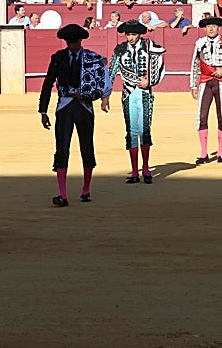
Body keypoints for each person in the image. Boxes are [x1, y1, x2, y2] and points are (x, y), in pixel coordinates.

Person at [38, 24, 112, 207]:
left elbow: (102, 84)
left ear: (81, 41)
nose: (72, 46)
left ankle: (86, 190)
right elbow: (47, 83)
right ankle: (62, 195)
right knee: (62, 148)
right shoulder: (58, 58)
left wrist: (96, 97)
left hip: (84, 107)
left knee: (86, 146)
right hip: (64, 106)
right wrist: (43, 110)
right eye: (69, 43)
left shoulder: (92, 59)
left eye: (75, 42)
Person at [110, 19, 166, 184]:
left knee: (145, 130)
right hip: (128, 93)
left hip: (144, 92)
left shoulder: (150, 46)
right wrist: (106, 95)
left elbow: (160, 64)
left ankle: (146, 168)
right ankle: (135, 171)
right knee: (132, 132)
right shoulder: (120, 50)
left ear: (139, 34)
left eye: (133, 34)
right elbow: (111, 71)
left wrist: (151, 82)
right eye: (128, 34)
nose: (131, 37)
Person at [189, 15, 222, 164]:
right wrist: (193, 85)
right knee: (202, 116)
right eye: (208, 26)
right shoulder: (199, 43)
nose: (211, 28)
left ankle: (220, 152)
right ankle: (203, 153)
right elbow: (194, 64)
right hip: (205, 81)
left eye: (213, 26)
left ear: (218, 28)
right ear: (205, 28)